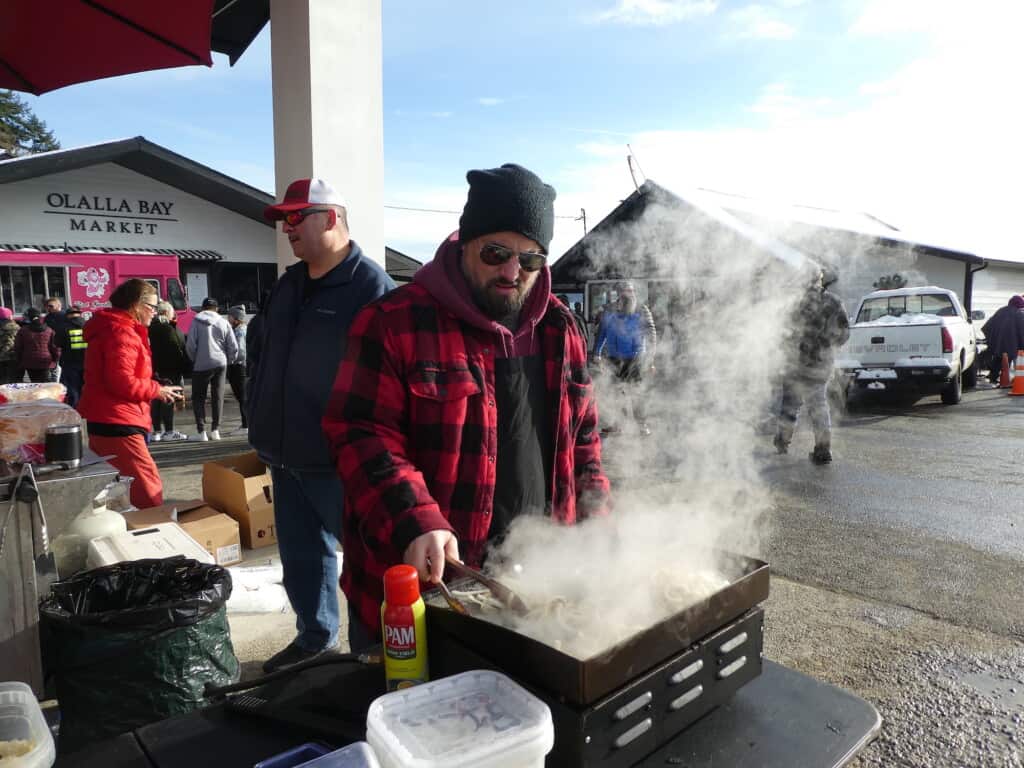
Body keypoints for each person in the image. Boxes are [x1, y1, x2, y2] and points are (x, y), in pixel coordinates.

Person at [323, 163, 611, 652]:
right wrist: (417, 517)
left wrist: (599, 519)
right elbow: (359, 432)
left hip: (535, 584)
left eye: (531, 259)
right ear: (465, 245)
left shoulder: (561, 328)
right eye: (496, 252)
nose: (511, 271)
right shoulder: (393, 322)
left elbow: (584, 439)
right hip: (423, 588)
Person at [249, 178, 395, 672]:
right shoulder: (288, 286)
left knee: (364, 563)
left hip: (340, 460)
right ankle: (314, 640)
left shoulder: (371, 288)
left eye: (296, 218)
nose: (287, 229)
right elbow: (265, 360)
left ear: (331, 218)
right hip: (284, 452)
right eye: (283, 220)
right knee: (301, 557)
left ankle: (368, 656)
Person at [77, 279, 183, 509]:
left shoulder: (112, 328)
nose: (155, 312)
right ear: (136, 305)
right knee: (147, 488)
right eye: (152, 307)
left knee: (118, 490)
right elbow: (121, 382)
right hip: (119, 419)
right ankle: (154, 535)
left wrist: (154, 385)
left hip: (107, 418)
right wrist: (157, 389)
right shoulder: (122, 333)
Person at [774, 270, 850, 465]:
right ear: (820, 281)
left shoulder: (792, 303)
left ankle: (782, 441)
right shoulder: (834, 303)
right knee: (818, 405)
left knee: (790, 403)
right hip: (821, 363)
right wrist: (827, 345)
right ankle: (823, 449)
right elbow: (844, 334)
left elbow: (782, 334)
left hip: (795, 363)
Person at [593, 281, 657, 436]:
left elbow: (651, 335)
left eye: (629, 290)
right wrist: (597, 353)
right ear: (618, 293)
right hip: (614, 358)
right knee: (614, 392)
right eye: (622, 291)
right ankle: (616, 424)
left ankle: (641, 424)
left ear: (634, 292)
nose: (626, 294)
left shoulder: (642, 310)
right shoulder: (609, 310)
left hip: (636, 359)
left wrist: (650, 360)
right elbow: (602, 332)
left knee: (636, 392)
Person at [185, 297, 237, 441]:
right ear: (217, 309)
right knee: (218, 396)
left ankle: (201, 432)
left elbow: (190, 345)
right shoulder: (223, 322)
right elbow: (232, 345)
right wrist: (230, 359)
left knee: (198, 398)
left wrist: (195, 359)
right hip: (220, 363)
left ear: (202, 308)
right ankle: (215, 430)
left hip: (201, 364)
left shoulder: (196, 321)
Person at [149, 301, 190, 441]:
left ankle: (156, 431)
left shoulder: (151, 327)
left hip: (154, 368)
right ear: (167, 313)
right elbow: (176, 347)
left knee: (156, 400)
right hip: (170, 369)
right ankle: (169, 431)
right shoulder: (167, 328)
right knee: (168, 398)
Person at [980, 296, 1024, 383]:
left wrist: (991, 339)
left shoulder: (1001, 311)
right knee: (1006, 361)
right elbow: (1022, 332)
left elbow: (986, 327)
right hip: (1011, 345)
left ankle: (994, 376)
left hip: (997, 344)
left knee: (999, 359)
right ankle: (1004, 380)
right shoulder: (1019, 314)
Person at [13, 307, 59, 383]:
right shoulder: (49, 330)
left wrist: (19, 360)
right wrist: (55, 360)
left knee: (34, 383)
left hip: (29, 361)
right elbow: (55, 347)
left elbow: (18, 347)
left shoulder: (23, 330)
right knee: (45, 384)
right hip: (46, 361)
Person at [55, 306, 87, 408]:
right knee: (87, 386)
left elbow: (57, 343)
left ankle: (75, 409)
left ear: (68, 315)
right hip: (88, 361)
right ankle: (87, 408)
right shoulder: (87, 325)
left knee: (72, 388)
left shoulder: (63, 327)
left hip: (70, 362)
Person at [225, 306, 248, 435]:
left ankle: (246, 425)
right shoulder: (238, 329)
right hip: (238, 366)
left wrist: (231, 360)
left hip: (238, 367)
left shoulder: (240, 331)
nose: (228, 318)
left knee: (242, 396)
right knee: (241, 396)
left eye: (230, 316)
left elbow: (241, 352)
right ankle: (245, 423)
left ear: (236, 318)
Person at [0, 308, 19, 384]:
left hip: (1, 358)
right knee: (13, 381)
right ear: (9, 316)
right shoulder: (16, 327)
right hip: (13, 356)